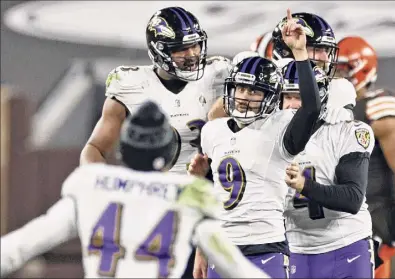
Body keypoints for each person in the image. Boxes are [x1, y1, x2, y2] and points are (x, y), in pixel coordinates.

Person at [0, 101, 271, 279]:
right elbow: (238, 270)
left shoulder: (92, 183)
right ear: (167, 151)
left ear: (125, 148)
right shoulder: (190, 194)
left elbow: (21, 246)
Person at [189, 9, 323, 278]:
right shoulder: (213, 131)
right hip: (222, 248)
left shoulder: (279, 129)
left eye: (254, 91)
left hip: (266, 247)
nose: (244, 97)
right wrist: (202, 250)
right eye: (240, 88)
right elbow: (212, 194)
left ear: (271, 97)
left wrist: (300, 53)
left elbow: (310, 109)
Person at [80, 6, 231, 175]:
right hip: (154, 194)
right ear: (158, 51)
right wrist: (97, 183)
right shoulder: (131, 85)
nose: (191, 54)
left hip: (210, 191)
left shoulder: (218, 75)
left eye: (195, 45)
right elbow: (95, 148)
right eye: (181, 48)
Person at [280, 58, 376, 278]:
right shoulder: (270, 137)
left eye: (300, 97)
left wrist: (306, 185)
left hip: (346, 243)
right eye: (287, 96)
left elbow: (352, 198)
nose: (292, 105)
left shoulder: (343, 130)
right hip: (297, 248)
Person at [337, 36, 395, 278]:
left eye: (343, 69)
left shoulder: (377, 108)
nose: (336, 76)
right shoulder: (327, 108)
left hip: (375, 217)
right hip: (339, 218)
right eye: (333, 69)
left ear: (362, 69)